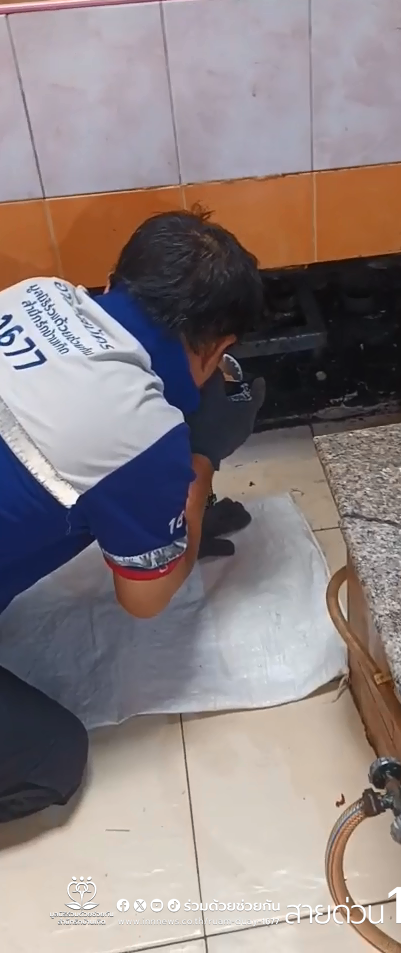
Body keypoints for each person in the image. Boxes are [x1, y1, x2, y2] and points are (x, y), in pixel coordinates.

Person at [0, 210, 265, 822]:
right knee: (51, 758)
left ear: (115, 279)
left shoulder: (33, 296)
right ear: (220, 348)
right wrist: (201, 458)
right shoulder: (141, 437)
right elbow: (145, 600)